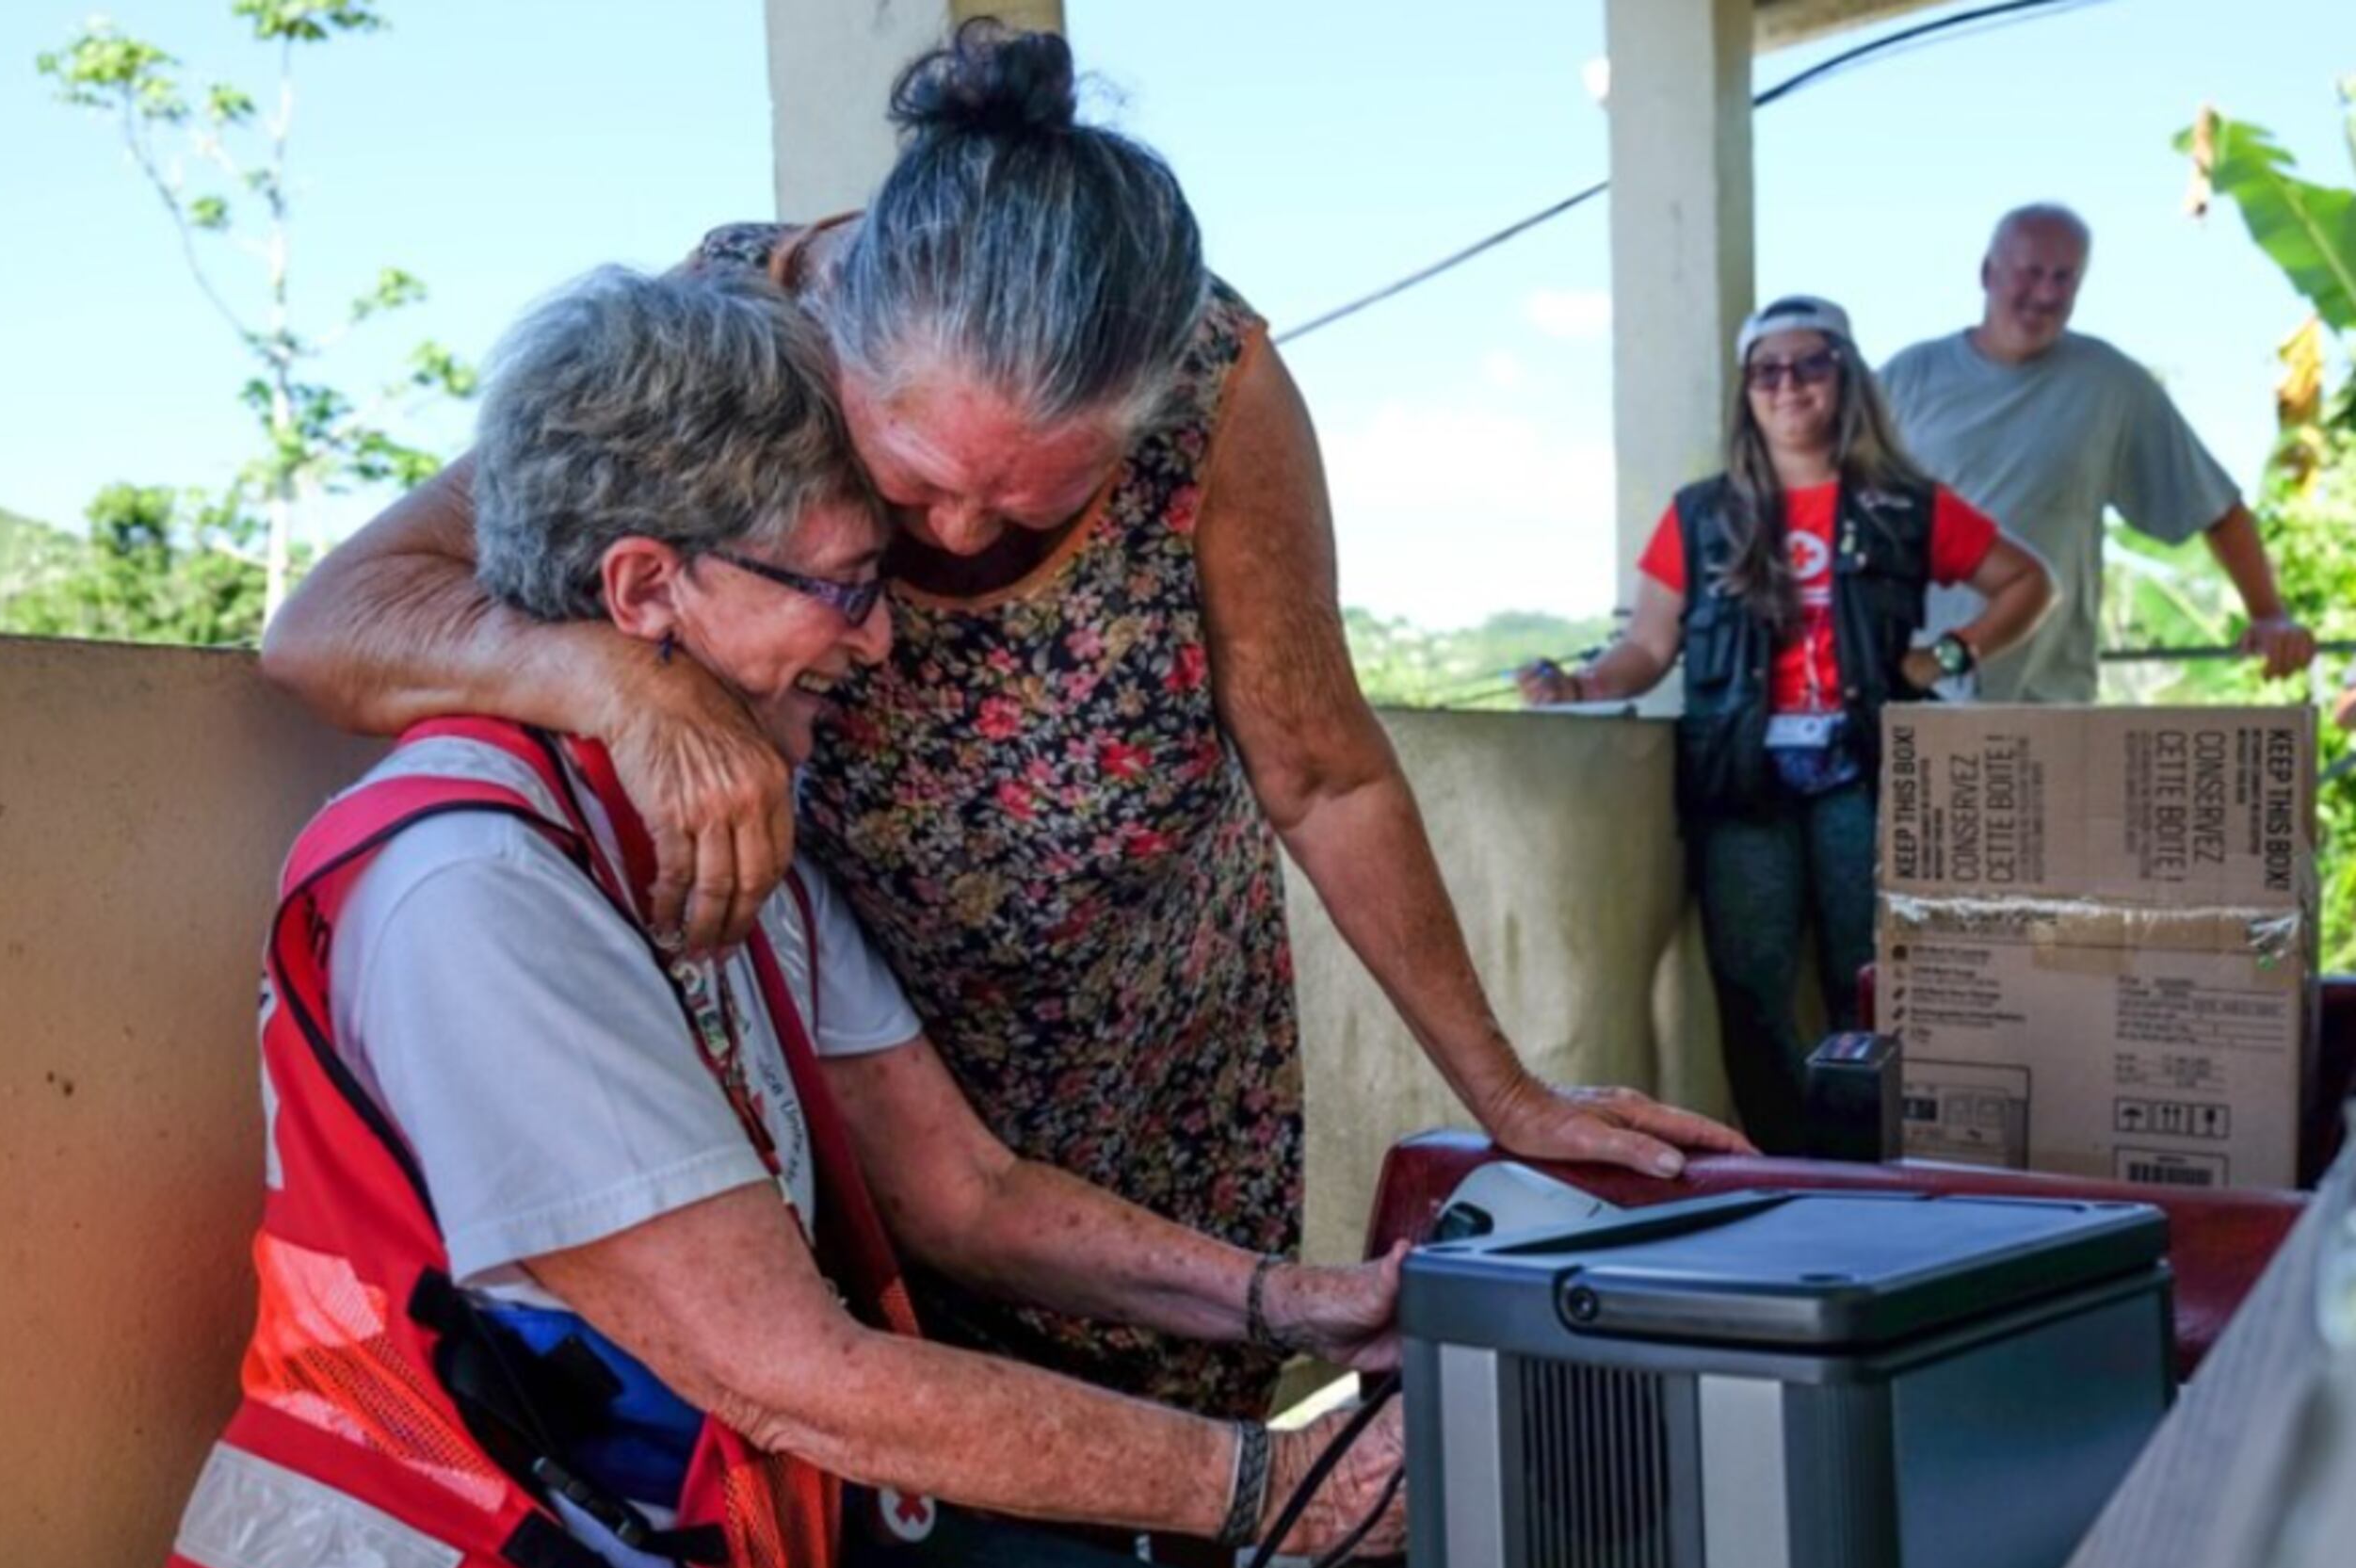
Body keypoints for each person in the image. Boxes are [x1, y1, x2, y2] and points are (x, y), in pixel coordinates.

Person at [260, 22, 1751, 1425]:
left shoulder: (1218, 389)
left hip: (1160, 1063)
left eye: (1033, 501)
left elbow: (1324, 772)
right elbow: (342, 613)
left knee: (1179, 1477)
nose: (951, 546)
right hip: (859, 1066)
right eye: (906, 492)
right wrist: (620, 683)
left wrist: (1503, 1088)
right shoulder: (720, 347)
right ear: (835, 340)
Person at [162, 267, 1410, 1568]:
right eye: (844, 587)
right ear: (645, 587)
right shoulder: (480, 886)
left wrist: (1301, 1301)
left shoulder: (699, 818)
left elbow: (965, 1193)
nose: (878, 644)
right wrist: (1274, 1481)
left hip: (680, 1542)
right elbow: (798, 1376)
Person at [1523, 297, 2052, 1155]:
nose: (1789, 385)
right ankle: (1782, 1159)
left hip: (1864, 767)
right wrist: (1580, 685)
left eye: (1811, 364)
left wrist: (1945, 657)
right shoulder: (1700, 515)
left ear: (1845, 376)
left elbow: (2028, 582)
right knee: (1752, 979)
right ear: (1747, 391)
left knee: (1872, 976)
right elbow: (1649, 645)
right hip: (1741, 781)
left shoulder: (1902, 505)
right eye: (1768, 369)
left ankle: (1871, 1158)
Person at [1880, 202, 2315, 703]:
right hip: (1914, 688)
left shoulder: (2111, 386)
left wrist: (2269, 614)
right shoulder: (1907, 378)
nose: (2045, 294)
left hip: (2046, 697)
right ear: (1987, 273)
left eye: (2064, 278)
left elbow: (2216, 506)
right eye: (2030, 273)